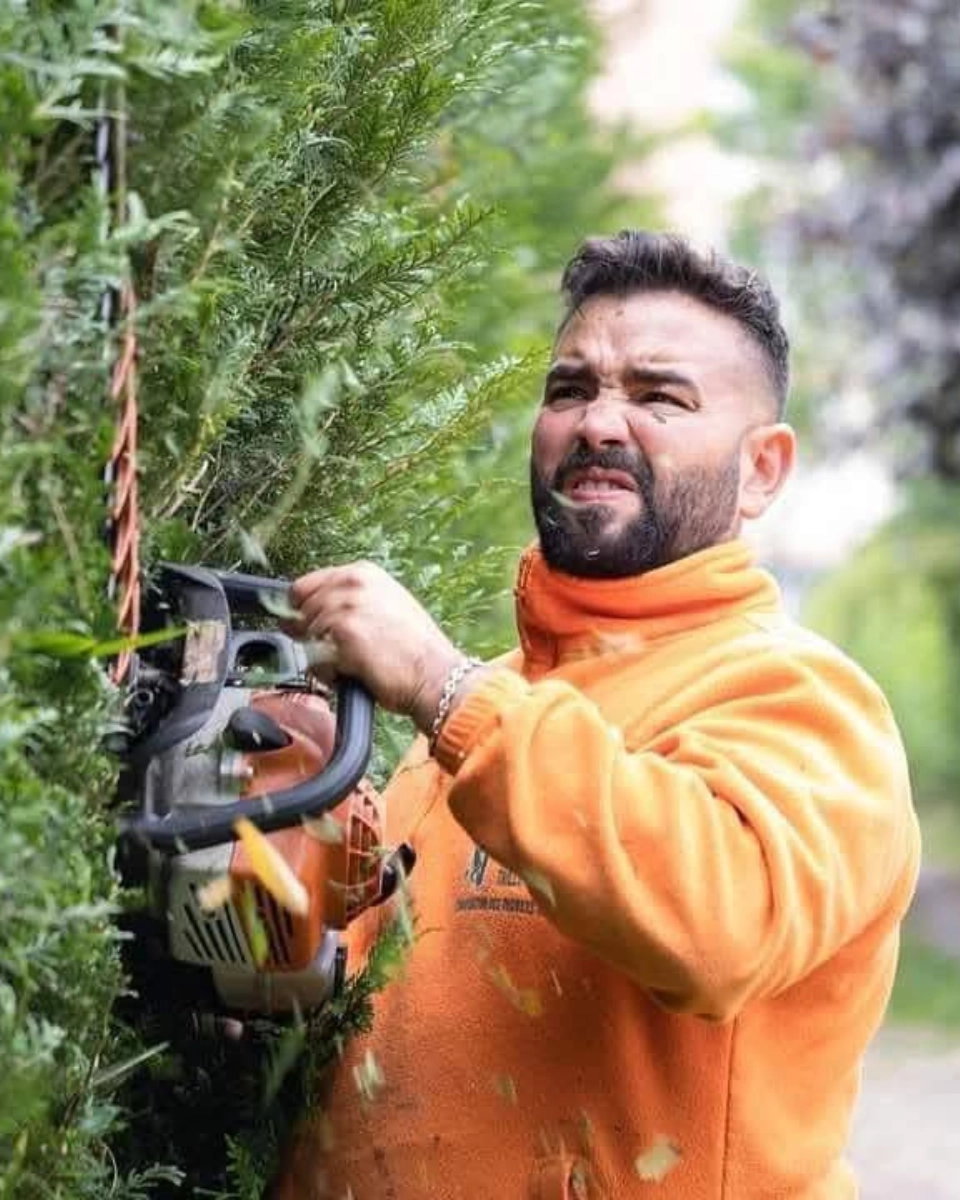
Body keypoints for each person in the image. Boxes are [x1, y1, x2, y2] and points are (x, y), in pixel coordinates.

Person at [273, 230, 921, 1199]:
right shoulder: (487, 712)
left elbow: (718, 925)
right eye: (570, 389)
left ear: (764, 471)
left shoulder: (810, 705)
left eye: (661, 397)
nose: (599, 424)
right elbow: (364, 1017)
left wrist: (444, 689)